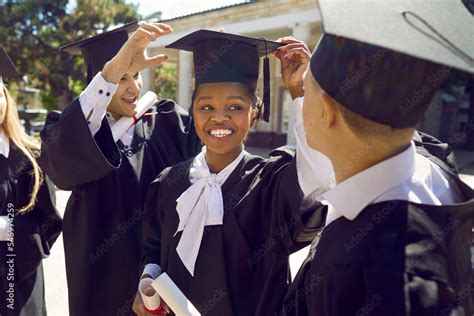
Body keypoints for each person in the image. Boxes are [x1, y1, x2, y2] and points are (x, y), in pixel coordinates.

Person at [280, 1, 474, 315]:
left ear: (327, 112)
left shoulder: (381, 275)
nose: (302, 97)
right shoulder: (435, 166)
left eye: (308, 89)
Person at [132, 30, 332, 316]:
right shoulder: (169, 182)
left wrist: (301, 92)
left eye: (236, 106)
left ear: (255, 112)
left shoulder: (270, 182)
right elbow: (154, 247)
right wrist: (148, 278)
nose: (219, 117)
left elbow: (318, 179)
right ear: (194, 113)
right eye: (206, 107)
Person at [40, 22, 200, 316]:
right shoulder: (74, 131)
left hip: (159, 280)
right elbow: (59, 171)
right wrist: (108, 76)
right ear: (98, 82)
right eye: (121, 78)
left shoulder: (167, 121)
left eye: (137, 75)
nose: (134, 87)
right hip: (100, 282)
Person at [0, 46, 62, 316]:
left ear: (6, 98)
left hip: (19, 288)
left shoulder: (31, 159)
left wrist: (5, 227)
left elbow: (48, 223)